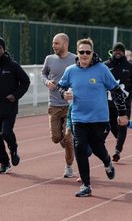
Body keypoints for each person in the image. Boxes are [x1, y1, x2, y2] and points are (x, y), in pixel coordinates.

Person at [57, 38, 128, 197]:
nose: (84, 55)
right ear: (77, 53)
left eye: (87, 52)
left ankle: (107, 161)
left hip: (99, 119)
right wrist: (64, 94)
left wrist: (122, 113)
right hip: (78, 118)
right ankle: (86, 185)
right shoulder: (71, 70)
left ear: (92, 53)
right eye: (81, 52)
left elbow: (116, 91)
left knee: (97, 148)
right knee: (80, 148)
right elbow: (60, 87)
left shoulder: (102, 69)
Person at [41, 33, 76, 178]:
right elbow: (43, 74)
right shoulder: (49, 59)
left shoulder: (75, 59)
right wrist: (46, 82)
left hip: (69, 106)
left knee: (68, 138)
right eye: (53, 43)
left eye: (56, 43)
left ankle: (68, 167)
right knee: (56, 138)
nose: (53, 46)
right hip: (54, 105)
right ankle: (68, 143)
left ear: (65, 44)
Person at [104, 42, 132, 162]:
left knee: (123, 125)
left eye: (120, 50)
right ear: (112, 51)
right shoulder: (106, 65)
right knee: (113, 126)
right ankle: (119, 140)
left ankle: (117, 150)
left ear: (124, 52)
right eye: (115, 50)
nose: (118, 52)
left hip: (125, 102)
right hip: (109, 103)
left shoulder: (130, 66)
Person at [0, 37, 30, 173]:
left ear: (3, 49)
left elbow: (25, 82)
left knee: (6, 132)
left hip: (9, 107)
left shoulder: (13, 66)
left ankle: (13, 148)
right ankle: (4, 163)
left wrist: (15, 95)